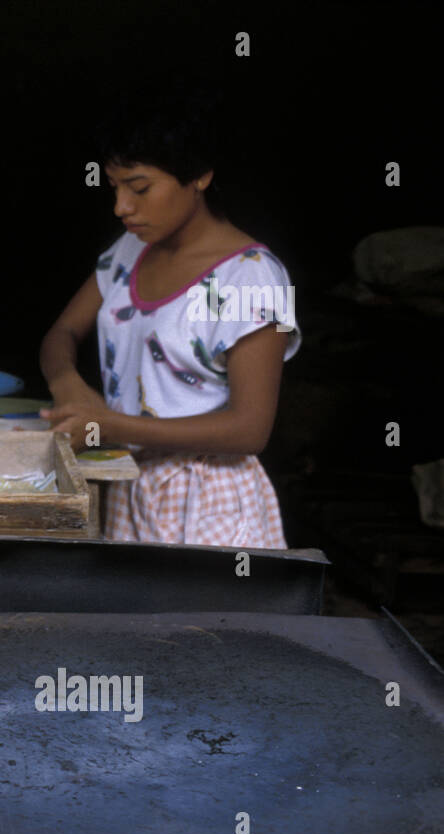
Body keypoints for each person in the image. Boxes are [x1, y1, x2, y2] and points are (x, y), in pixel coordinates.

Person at [39, 87, 301, 548]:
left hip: (206, 503)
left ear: (199, 176)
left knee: (204, 622)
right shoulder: (130, 251)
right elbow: (62, 332)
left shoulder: (251, 278)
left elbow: (250, 429)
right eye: (114, 187)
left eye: (139, 188)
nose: (122, 207)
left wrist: (109, 425)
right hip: (127, 486)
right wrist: (65, 381)